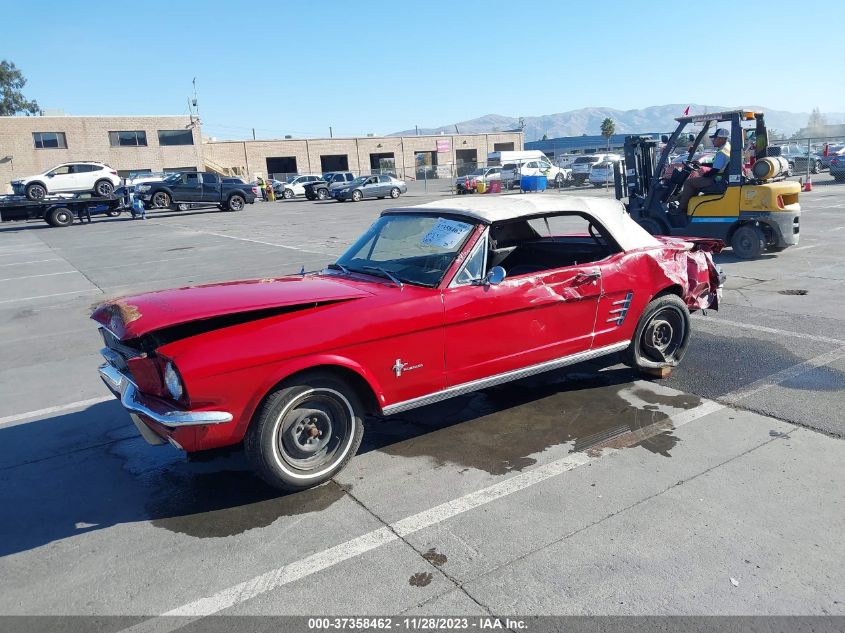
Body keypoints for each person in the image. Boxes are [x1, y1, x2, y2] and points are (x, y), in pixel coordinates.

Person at [678, 127, 731, 214]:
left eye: (714, 138)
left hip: (717, 181)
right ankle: (690, 206)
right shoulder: (727, 148)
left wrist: (704, 175)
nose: (713, 140)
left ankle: (681, 209)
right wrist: (701, 164)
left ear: (721, 139)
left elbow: (714, 171)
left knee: (689, 182)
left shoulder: (722, 152)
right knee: (696, 181)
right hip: (723, 179)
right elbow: (717, 166)